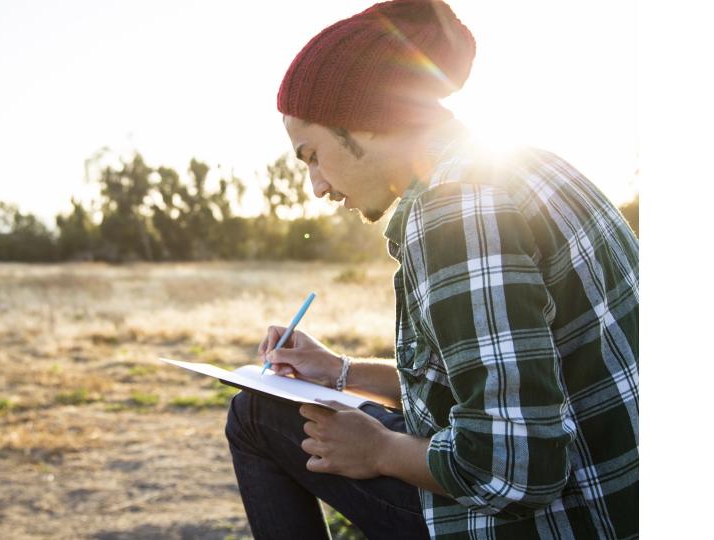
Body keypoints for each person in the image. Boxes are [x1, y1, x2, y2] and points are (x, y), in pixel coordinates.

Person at [224, 1, 639, 538]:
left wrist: (382, 451)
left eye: (311, 155)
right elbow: (495, 387)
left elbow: (513, 470)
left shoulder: (455, 212)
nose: (318, 186)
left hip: (562, 520)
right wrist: (339, 372)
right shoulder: (531, 166)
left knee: (255, 415)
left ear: (361, 122)